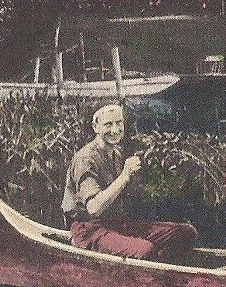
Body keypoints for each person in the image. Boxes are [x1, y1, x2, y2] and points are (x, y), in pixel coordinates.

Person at [62, 104, 197, 260]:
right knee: (145, 250)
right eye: (108, 124)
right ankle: (149, 267)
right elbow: (93, 208)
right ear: (95, 127)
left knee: (186, 233)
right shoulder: (85, 159)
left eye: (119, 123)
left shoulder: (116, 154)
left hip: (117, 224)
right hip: (89, 229)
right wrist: (124, 176)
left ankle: (160, 267)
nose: (115, 130)